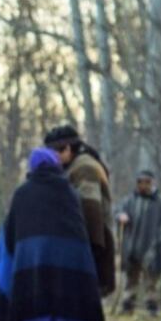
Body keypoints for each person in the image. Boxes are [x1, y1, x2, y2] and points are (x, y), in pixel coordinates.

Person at [0, 148, 104, 321]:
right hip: (70, 264)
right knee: (67, 310)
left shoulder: (23, 194)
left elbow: (11, 234)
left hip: (32, 264)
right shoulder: (69, 192)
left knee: (34, 307)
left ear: (33, 167)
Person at [44, 125, 115, 296]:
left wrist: (87, 256)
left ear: (67, 149)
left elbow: (91, 212)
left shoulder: (84, 168)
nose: (51, 158)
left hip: (90, 247)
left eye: (53, 152)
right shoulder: (76, 165)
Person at [117, 170, 161, 316]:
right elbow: (118, 211)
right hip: (132, 246)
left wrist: (158, 243)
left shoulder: (160, 203)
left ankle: (152, 307)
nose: (143, 185)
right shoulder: (129, 200)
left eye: (147, 182)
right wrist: (121, 216)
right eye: (140, 182)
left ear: (152, 183)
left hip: (153, 247)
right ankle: (127, 306)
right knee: (131, 279)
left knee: (151, 280)